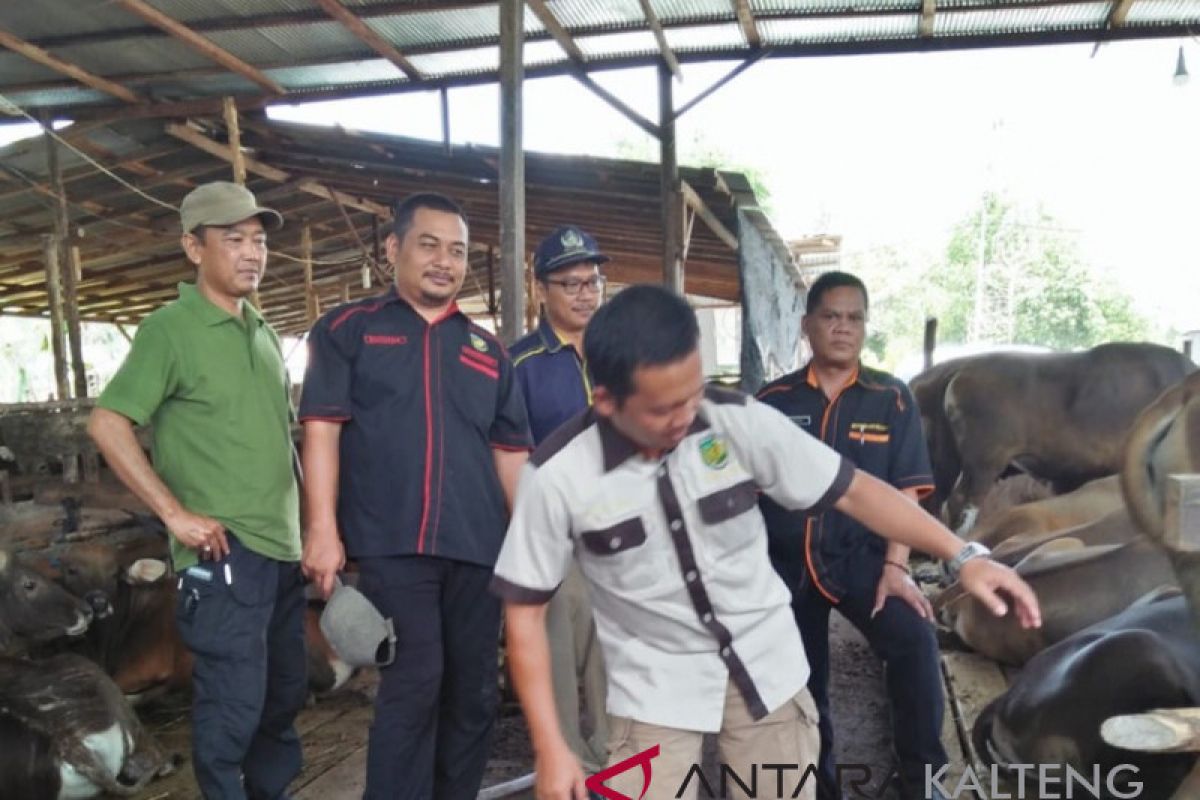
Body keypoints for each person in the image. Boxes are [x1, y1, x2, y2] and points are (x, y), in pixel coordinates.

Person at [491, 284, 1041, 800]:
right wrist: (549, 745)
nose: (687, 417)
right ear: (608, 402)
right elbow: (524, 615)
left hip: (766, 669)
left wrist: (962, 554)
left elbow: (854, 490)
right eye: (663, 409)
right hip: (654, 688)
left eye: (692, 394)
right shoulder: (557, 477)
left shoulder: (736, 420)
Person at [299, 192, 532, 799]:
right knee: (416, 681)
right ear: (393, 249)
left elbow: (511, 456)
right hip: (392, 542)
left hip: (478, 546)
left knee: (475, 690)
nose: (444, 261)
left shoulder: (487, 351)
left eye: (456, 251)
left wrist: (531, 540)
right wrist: (322, 529)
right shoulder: (349, 330)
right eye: (428, 245)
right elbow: (321, 430)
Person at [88, 181, 307, 800]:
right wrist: (175, 515)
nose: (251, 254)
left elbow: (278, 443)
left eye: (259, 241)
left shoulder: (261, 329)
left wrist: (311, 531)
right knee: (233, 708)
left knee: (283, 698)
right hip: (225, 556)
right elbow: (107, 423)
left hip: (281, 555)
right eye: (233, 239)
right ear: (193, 247)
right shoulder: (170, 329)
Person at [757, 270, 946, 800]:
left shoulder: (892, 398)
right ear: (807, 325)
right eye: (831, 316)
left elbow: (907, 491)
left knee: (914, 642)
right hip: (788, 564)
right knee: (803, 681)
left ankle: (925, 782)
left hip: (866, 561)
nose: (843, 328)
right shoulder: (772, 400)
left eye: (855, 318)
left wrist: (896, 568)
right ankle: (820, 786)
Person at [510, 226, 611, 778]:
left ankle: (612, 765)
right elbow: (510, 457)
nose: (583, 294)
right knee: (556, 653)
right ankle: (563, 766)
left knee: (614, 655)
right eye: (569, 283)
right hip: (556, 536)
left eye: (592, 281)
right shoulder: (520, 364)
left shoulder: (622, 355)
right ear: (541, 288)